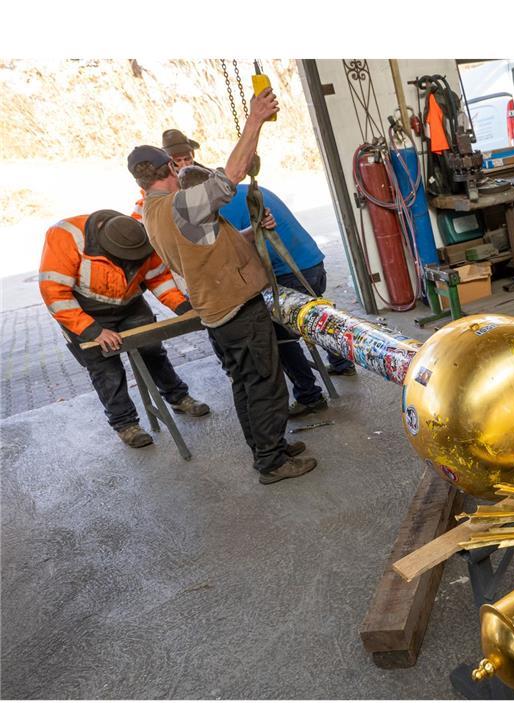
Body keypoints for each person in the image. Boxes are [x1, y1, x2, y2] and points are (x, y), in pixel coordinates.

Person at [128, 87, 317, 485]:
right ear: (168, 168)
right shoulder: (178, 204)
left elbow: (206, 247)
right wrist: (254, 120)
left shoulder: (152, 213)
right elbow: (230, 177)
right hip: (236, 308)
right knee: (265, 383)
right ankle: (271, 462)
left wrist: (250, 231)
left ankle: (270, 448)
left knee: (247, 383)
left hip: (218, 312)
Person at [168, 128, 356, 418]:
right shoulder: (244, 191)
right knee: (313, 316)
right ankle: (341, 361)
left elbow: (229, 255)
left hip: (289, 273)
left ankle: (309, 394)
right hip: (312, 262)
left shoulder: (219, 211)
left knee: (278, 337)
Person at [39, 210, 210, 448]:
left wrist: (183, 308)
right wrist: (93, 331)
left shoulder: (138, 235)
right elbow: (55, 295)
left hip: (130, 304)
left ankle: (179, 397)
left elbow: (158, 278)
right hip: (84, 312)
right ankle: (126, 424)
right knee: (106, 370)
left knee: (152, 350)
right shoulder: (66, 237)